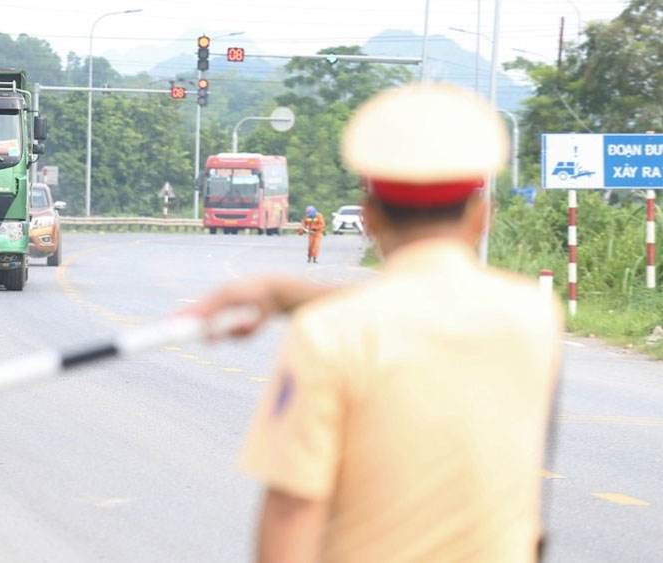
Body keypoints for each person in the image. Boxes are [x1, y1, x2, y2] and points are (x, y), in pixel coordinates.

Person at [189, 83, 564, 562]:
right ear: (481, 217)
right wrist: (292, 297)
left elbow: (291, 513)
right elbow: (429, 310)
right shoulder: (535, 317)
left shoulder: (329, 334)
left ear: (368, 218)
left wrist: (297, 301)